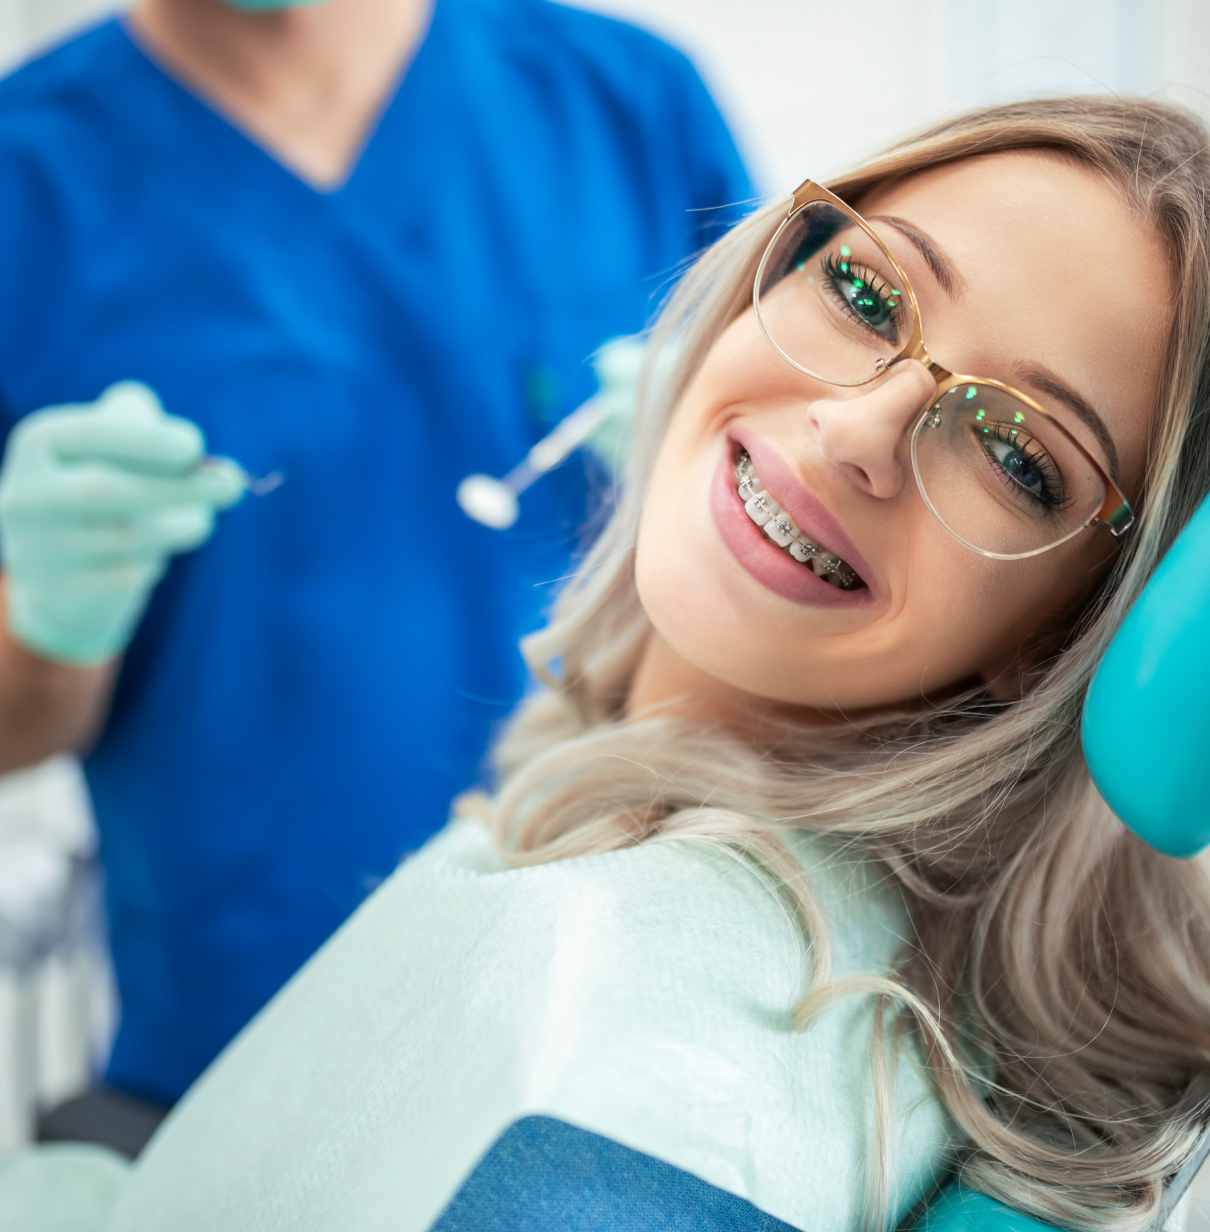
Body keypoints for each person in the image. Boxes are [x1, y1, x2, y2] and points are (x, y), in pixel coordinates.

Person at [4, 93, 1210, 1232]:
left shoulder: (660, 1035)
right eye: (861, 287)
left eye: (1014, 453)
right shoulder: (620, 871)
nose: (853, 428)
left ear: (1071, 636)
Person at [0, 0, 752, 1113]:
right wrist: (51, 620)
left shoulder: (625, 104)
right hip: (236, 1069)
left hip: (632, 1030)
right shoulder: (29, 180)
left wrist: (728, 482)